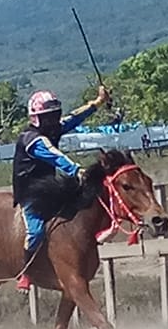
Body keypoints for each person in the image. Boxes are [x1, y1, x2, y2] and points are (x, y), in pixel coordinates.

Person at [12, 85, 110, 291]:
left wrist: (98, 102)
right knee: (36, 232)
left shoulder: (53, 128)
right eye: (48, 117)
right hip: (30, 194)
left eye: (55, 115)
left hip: (50, 189)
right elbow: (55, 156)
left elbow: (74, 118)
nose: (54, 121)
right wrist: (77, 170)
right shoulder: (32, 139)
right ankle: (26, 272)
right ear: (36, 118)